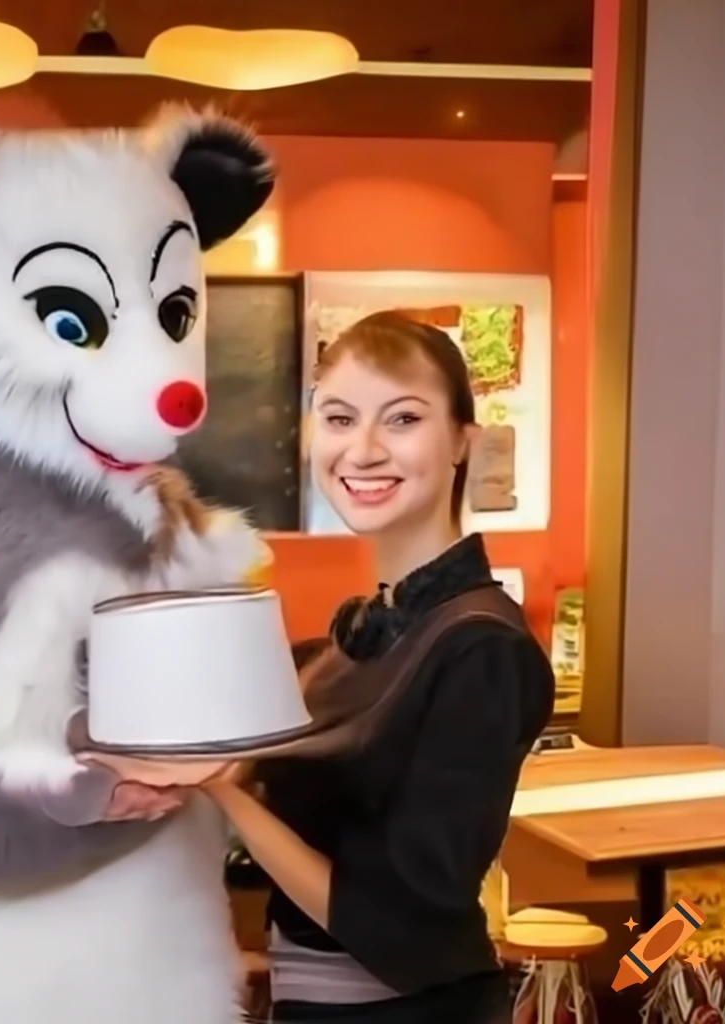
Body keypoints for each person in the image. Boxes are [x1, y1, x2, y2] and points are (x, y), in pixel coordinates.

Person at [83, 310, 555, 1023]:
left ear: (463, 440)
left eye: (402, 420)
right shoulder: (362, 630)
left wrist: (221, 787)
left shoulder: (481, 647)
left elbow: (399, 919)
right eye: (338, 418)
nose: (362, 450)